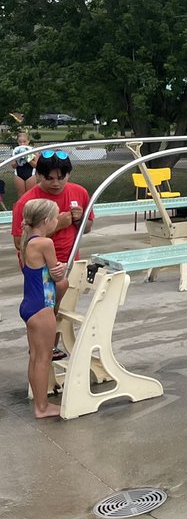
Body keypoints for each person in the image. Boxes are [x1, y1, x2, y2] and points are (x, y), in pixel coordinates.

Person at [11, 151, 94, 304]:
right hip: (39, 265)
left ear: (69, 175)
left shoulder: (79, 192)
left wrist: (79, 220)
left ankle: (58, 326)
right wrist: (57, 225)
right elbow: (19, 242)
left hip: (70, 260)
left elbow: (87, 228)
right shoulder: (27, 202)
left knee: (67, 305)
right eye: (49, 178)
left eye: (61, 178)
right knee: (44, 307)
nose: (56, 183)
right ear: (38, 175)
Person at [18, 199, 67, 418]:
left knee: (36, 357)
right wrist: (62, 270)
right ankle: (42, 407)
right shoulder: (44, 243)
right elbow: (57, 276)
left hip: (31, 305)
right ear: (47, 220)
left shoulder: (29, 241)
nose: (58, 221)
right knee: (43, 358)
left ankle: (40, 404)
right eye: (56, 217)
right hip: (42, 308)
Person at [12, 130, 37, 195]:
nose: (22, 144)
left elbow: (35, 165)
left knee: (30, 194)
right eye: (20, 142)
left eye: (24, 141)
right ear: (17, 142)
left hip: (30, 174)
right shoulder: (15, 151)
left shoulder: (34, 150)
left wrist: (27, 158)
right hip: (18, 174)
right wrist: (18, 159)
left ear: (28, 141)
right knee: (21, 195)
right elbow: (13, 166)